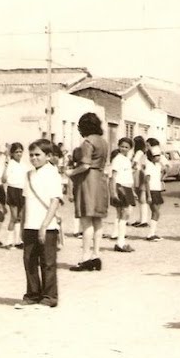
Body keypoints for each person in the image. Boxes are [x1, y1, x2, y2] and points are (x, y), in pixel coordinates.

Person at [16, 139, 63, 309]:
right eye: (32, 155)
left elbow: (55, 201)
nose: (34, 158)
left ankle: (49, 297)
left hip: (47, 226)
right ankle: (32, 295)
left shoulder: (53, 174)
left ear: (48, 156)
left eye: (38, 155)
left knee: (47, 262)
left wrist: (44, 225)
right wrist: (22, 226)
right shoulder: (29, 174)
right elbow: (26, 202)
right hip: (30, 224)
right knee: (29, 260)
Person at [67, 112, 109, 272]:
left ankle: (85, 258)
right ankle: (96, 256)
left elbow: (85, 165)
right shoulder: (103, 142)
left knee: (86, 220)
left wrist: (70, 173)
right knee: (97, 220)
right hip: (100, 179)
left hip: (88, 181)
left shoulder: (87, 142)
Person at [110, 137, 136, 252]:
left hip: (128, 187)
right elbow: (113, 177)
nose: (124, 149)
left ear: (130, 148)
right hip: (121, 187)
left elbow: (129, 176)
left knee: (127, 214)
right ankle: (120, 243)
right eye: (122, 146)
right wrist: (114, 192)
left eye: (126, 147)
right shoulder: (117, 159)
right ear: (118, 146)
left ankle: (120, 242)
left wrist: (132, 191)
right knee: (123, 214)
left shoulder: (126, 159)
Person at [2, 142, 26, 249]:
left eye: (21, 152)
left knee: (20, 217)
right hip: (13, 190)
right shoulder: (10, 163)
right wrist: (5, 167)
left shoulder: (24, 165)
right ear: (12, 153)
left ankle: (18, 241)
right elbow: (3, 179)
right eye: (16, 152)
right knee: (13, 217)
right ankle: (8, 242)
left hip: (22, 191)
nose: (19, 154)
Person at [144, 147, 165, 242]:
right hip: (151, 191)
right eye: (156, 156)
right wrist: (148, 195)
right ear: (151, 157)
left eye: (159, 155)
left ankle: (152, 233)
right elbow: (146, 181)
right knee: (156, 212)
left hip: (157, 190)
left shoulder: (158, 165)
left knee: (156, 212)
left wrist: (165, 173)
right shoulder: (149, 166)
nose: (159, 157)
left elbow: (159, 177)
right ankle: (150, 234)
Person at [130, 136, 149, 227]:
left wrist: (130, 167)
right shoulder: (144, 152)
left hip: (138, 173)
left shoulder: (138, 152)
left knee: (141, 198)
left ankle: (143, 220)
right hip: (141, 173)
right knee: (141, 198)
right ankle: (141, 218)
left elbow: (134, 162)